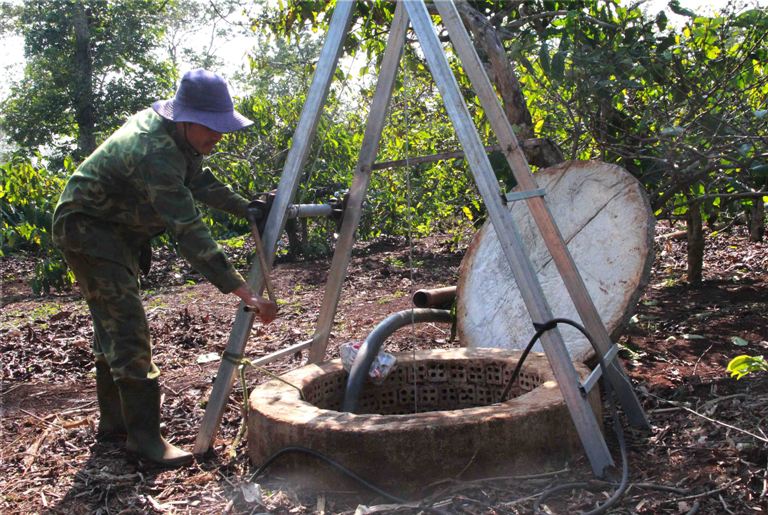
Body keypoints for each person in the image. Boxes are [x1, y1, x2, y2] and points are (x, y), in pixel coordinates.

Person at [52, 69, 277, 467]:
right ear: (186, 118)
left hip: (114, 230)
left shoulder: (179, 140)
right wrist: (243, 290)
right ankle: (144, 441)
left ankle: (115, 425)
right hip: (89, 230)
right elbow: (187, 228)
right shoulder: (154, 151)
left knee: (113, 326)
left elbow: (200, 182)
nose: (218, 137)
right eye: (212, 127)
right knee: (127, 328)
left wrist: (246, 208)